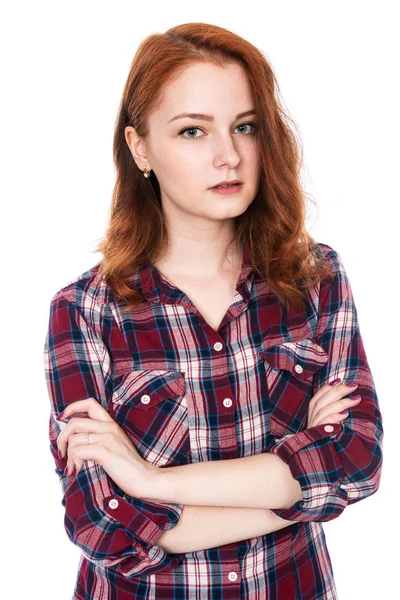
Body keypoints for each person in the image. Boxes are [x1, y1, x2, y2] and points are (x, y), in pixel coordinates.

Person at [43, 22, 384, 600]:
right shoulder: (84, 312)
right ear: (140, 147)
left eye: (245, 127)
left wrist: (149, 481)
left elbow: (356, 457)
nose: (228, 155)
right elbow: (102, 524)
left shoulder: (315, 279)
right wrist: (299, 495)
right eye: (193, 131)